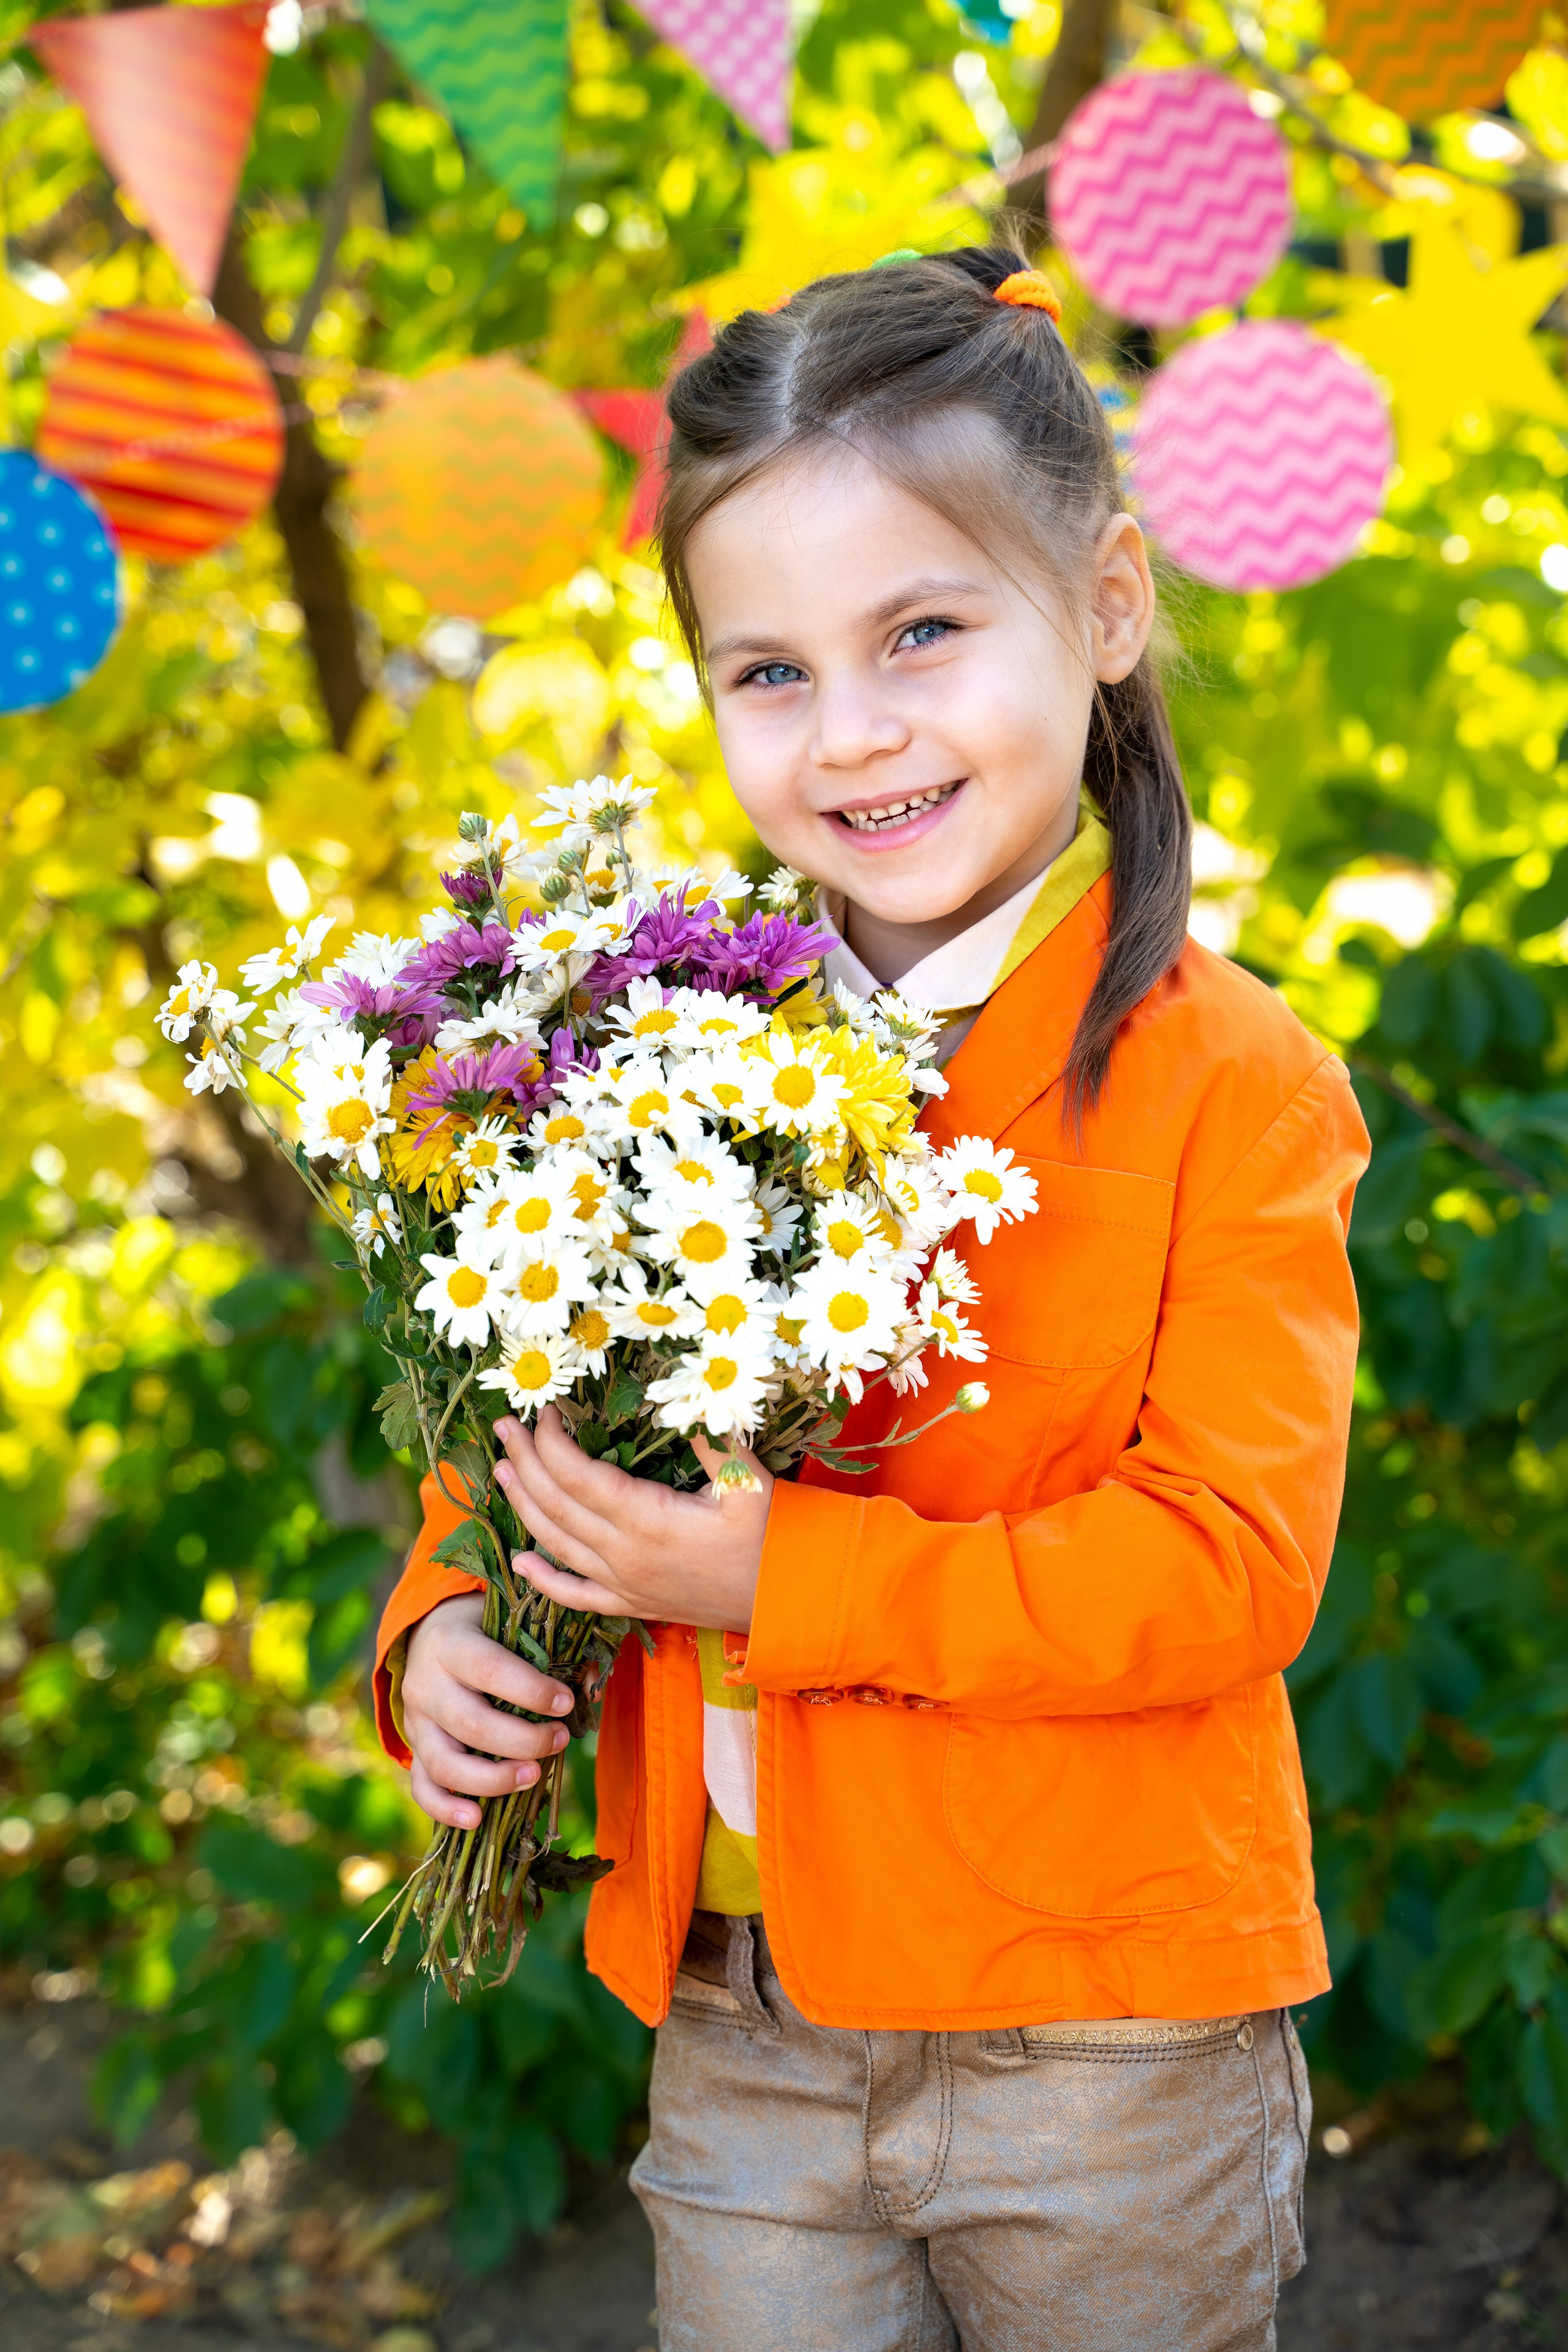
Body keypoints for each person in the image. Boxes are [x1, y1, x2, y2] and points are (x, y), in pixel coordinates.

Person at [372, 244, 1370, 2351]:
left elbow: (1226, 1573)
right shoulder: (636, 1034)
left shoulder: (1232, 1081)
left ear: (1104, 609)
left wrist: (774, 1572)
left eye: (922, 631)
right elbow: (540, 1420)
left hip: (1110, 2032)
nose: (856, 732)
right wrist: (449, 1626)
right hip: (751, 2023)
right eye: (770, 669)